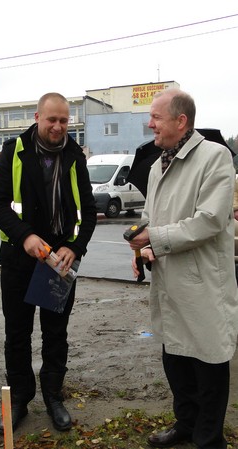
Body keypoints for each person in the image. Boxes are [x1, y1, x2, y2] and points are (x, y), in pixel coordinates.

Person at [128, 89, 238, 449]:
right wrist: (142, 244)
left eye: (156, 117)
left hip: (202, 283)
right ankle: (186, 425)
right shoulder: (160, 163)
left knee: (208, 361)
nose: (150, 123)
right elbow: (150, 215)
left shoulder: (215, 157)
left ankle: (208, 439)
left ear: (181, 121)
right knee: (175, 357)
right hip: (169, 280)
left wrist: (153, 237)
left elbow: (209, 221)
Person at [0, 93, 97, 433]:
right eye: (51, 119)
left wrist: (75, 248)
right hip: (20, 261)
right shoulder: (14, 151)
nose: (58, 126)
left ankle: (53, 396)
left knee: (55, 334)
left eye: (63, 120)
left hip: (58, 263)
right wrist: (25, 237)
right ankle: (20, 398)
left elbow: (89, 212)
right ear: (37, 117)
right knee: (17, 334)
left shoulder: (75, 155)